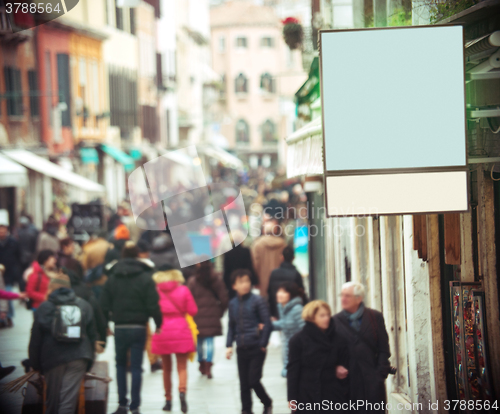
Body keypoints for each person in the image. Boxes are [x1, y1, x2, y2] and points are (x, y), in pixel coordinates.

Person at [100, 241, 162, 414]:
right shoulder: (145, 277)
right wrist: (158, 323)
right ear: (137, 255)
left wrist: (105, 325)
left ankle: (122, 404)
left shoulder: (112, 278)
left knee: (120, 365)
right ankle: (135, 406)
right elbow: (153, 304)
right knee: (136, 367)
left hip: (120, 327)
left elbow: (103, 305)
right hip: (139, 326)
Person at [28, 273, 97, 414]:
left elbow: (35, 339)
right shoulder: (83, 304)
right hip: (79, 357)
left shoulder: (45, 307)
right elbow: (92, 337)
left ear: (51, 289)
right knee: (67, 402)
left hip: (52, 359)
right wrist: (89, 363)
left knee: (52, 403)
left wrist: (35, 365)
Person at [333, 282, 391, 413]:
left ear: (358, 298)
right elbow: (328, 352)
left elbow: (383, 348)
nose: (343, 299)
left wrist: (379, 375)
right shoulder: (335, 321)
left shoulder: (374, 317)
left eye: (347, 296)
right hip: (346, 384)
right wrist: (335, 367)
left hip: (372, 383)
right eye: (341, 295)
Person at [287, 300, 349, 413]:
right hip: (306, 394)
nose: (326, 318)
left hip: (332, 394)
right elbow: (293, 370)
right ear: (311, 317)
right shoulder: (298, 340)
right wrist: (292, 398)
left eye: (328, 315)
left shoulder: (339, 339)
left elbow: (345, 363)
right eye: (322, 315)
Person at [151, 264, 197, 413]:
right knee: (182, 367)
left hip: (162, 330)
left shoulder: (156, 291)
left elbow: (152, 310)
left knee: (166, 369)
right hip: (181, 331)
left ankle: (168, 400)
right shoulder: (183, 289)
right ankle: (182, 392)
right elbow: (193, 310)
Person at [226, 269, 273, 414]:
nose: (245, 284)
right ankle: (246, 410)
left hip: (256, 347)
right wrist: (229, 346)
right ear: (234, 286)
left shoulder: (258, 301)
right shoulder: (233, 303)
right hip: (241, 348)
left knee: (253, 380)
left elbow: (267, 324)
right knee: (244, 384)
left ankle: (267, 402)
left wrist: (263, 344)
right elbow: (231, 326)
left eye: (247, 281)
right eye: (241, 282)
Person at [187, 257, 228, 379]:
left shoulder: (192, 281)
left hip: (197, 315)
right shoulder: (216, 279)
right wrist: (220, 311)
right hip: (213, 313)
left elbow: (188, 299)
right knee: (210, 341)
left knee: (199, 341)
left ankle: (201, 363)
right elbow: (224, 298)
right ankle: (209, 365)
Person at [271, 282, 305, 377]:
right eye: (279, 291)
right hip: (287, 349)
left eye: (284, 292)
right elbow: (284, 323)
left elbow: (305, 330)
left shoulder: (297, 309)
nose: (279, 294)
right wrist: (267, 326)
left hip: (297, 351)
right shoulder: (283, 308)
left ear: (291, 294)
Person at [251, 220, 286, 299]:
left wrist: (256, 280)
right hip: (279, 281)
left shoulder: (257, 245)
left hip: (262, 281)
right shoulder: (282, 244)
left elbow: (255, 264)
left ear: (263, 231)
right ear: (275, 230)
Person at [267, 246, 305, 318]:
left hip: (276, 309)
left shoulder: (274, 273)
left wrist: (271, 313)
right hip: (293, 310)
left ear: (282, 257)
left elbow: (269, 293)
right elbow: (301, 293)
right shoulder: (296, 273)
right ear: (293, 258)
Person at [222, 230, 256, 299]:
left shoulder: (227, 254)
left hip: (233, 283)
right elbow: (250, 267)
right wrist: (254, 281)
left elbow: (226, 271)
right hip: (245, 280)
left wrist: (227, 284)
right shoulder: (246, 251)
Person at [0, 223, 22, 324]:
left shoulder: (13, 242)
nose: (2, 233)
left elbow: (18, 256)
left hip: (9, 272)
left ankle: (8, 316)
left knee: (7, 294)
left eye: (3, 231)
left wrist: (16, 270)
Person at [17, 216, 39, 283]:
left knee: (24, 274)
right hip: (29, 256)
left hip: (23, 256)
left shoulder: (19, 232)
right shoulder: (33, 231)